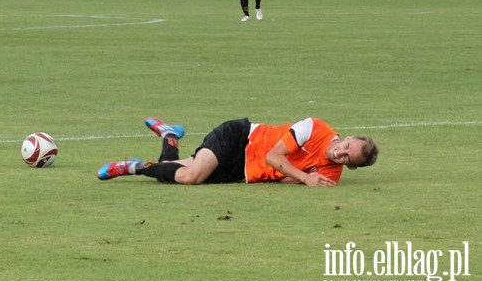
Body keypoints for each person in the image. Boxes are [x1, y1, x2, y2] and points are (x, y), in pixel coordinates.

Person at [98, 116, 378, 186]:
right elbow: (273, 158)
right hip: (240, 138)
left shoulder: (332, 173)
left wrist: (298, 177)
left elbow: (281, 178)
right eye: (346, 146)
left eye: (347, 157)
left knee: (178, 172)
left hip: (243, 172)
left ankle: (169, 136)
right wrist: (305, 177)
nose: (341, 153)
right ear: (348, 137)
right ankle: (131, 167)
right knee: (190, 177)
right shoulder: (314, 128)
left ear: (350, 166)